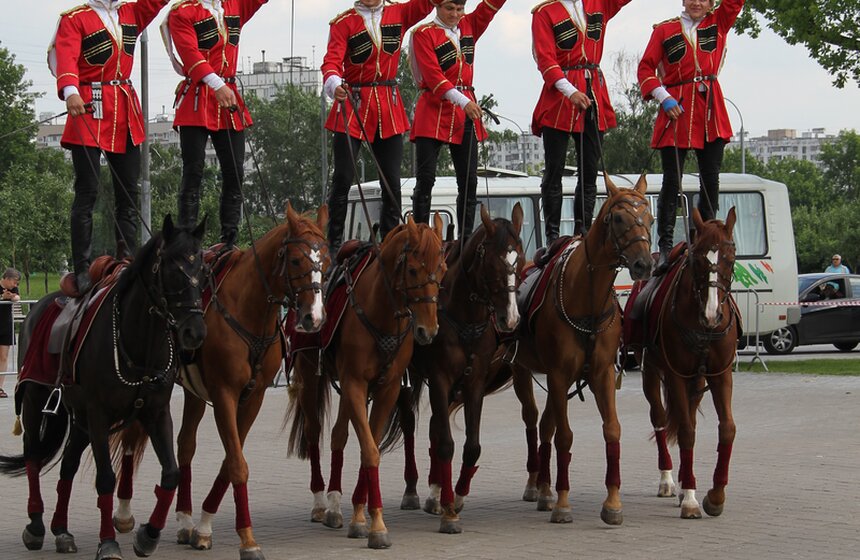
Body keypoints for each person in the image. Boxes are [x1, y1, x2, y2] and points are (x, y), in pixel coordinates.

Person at [49, 0, 171, 295]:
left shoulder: (131, 12)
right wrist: (70, 92)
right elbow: (66, 56)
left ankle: (127, 260)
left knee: (128, 194)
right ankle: (82, 267)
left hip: (124, 111)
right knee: (87, 192)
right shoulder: (75, 18)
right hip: (88, 106)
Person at [322, 0, 444, 254]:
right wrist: (334, 84)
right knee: (343, 177)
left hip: (388, 105)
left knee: (391, 180)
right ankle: (332, 245)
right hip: (353, 103)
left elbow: (427, 4)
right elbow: (331, 62)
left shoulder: (399, 12)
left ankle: (390, 242)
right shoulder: (343, 23)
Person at [638, 0, 745, 272]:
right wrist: (664, 97)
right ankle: (663, 247)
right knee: (672, 182)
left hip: (710, 110)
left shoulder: (718, 22)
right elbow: (646, 69)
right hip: (677, 109)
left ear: (711, 3)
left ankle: (706, 240)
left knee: (710, 180)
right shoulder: (664, 30)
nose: (697, 2)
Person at [162, 0, 268, 248]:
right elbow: (190, 54)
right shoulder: (183, 12)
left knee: (235, 172)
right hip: (198, 97)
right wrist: (217, 85)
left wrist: (223, 87)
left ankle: (229, 239)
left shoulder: (235, 5)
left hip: (228, 96)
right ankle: (185, 237)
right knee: (194, 170)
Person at [531, 0, 633, 246]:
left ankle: (583, 229)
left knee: (590, 171)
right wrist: (570, 91)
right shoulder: (545, 13)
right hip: (560, 95)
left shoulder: (600, 3)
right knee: (553, 170)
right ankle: (553, 236)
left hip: (594, 91)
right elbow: (546, 60)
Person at [409, 0, 505, 238]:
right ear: (437, 7)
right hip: (434, 109)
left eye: (459, 9)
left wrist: (465, 103)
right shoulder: (423, 34)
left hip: (464, 112)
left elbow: (492, 5)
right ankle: (419, 234)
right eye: (449, 9)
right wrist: (464, 102)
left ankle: (466, 238)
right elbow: (433, 77)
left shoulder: (470, 25)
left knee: (469, 181)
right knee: (425, 180)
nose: (455, 14)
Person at [0, 268, 21, 398]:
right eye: (14, 282)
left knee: (3, 356)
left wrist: (13, 297)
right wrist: (2, 297)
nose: (15, 285)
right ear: (7, 279)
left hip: (6, 325)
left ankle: (0, 387)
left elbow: (18, 297)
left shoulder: (13, 289)